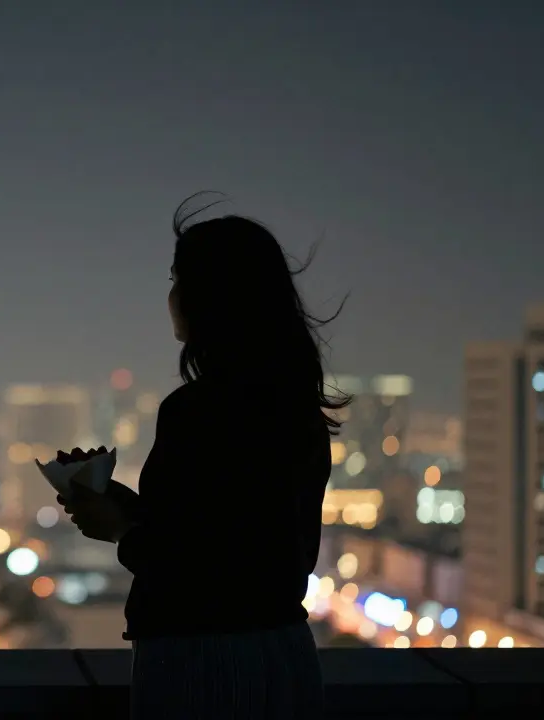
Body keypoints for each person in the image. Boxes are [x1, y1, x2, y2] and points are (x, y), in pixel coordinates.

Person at [60, 195, 347, 719]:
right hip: (284, 652)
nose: (170, 296)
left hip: (204, 663)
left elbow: (200, 564)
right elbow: (242, 537)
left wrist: (123, 529)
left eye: (177, 280)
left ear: (208, 298)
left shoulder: (200, 410)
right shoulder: (294, 408)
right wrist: (131, 508)